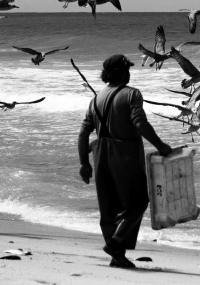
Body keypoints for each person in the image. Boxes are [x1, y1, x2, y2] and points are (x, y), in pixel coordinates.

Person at [77, 54, 173, 269]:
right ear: (120, 72)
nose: (129, 74)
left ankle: (117, 256)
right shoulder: (132, 94)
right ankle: (115, 243)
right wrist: (161, 146)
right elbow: (139, 123)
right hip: (125, 154)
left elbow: (83, 133)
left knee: (108, 209)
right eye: (127, 70)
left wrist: (84, 163)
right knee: (138, 202)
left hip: (100, 155)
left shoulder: (96, 99)